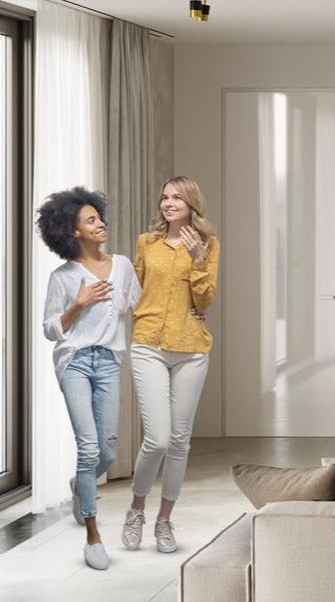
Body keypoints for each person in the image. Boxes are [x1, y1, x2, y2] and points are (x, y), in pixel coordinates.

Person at [37, 187, 140, 571]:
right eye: (91, 220)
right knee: (88, 449)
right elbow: (50, 329)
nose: (101, 224)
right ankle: (93, 536)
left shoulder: (123, 265)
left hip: (110, 360)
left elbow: (135, 305)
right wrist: (78, 305)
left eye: (100, 217)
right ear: (72, 231)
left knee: (108, 452)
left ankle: (80, 487)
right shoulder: (63, 277)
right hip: (75, 362)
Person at [122, 176, 220, 554]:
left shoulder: (209, 245)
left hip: (192, 349)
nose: (168, 203)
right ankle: (136, 510)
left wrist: (197, 262)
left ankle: (164, 520)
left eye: (176, 197)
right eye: (164, 197)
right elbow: (134, 289)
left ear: (192, 202)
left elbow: (206, 299)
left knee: (179, 442)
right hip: (148, 344)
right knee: (157, 438)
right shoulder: (147, 243)